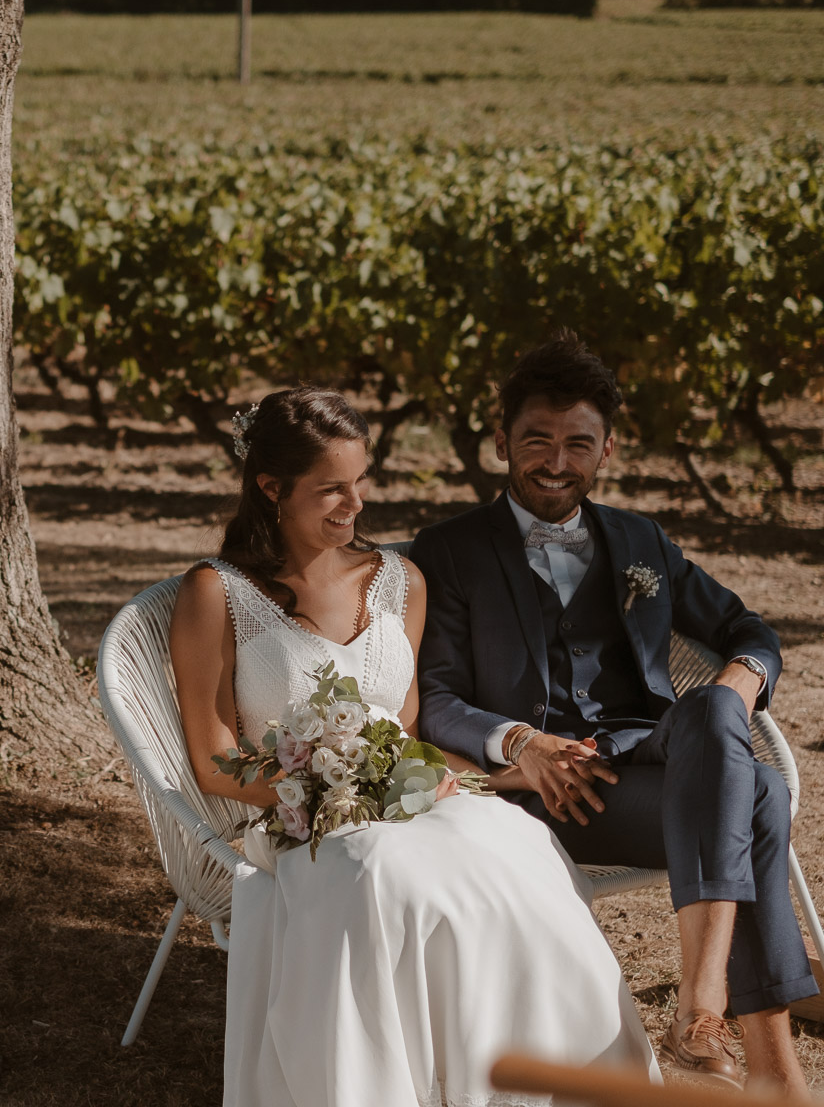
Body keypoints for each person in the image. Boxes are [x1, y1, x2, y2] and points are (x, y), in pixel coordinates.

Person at [171, 387, 656, 1107]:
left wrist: (499, 774)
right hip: (298, 818)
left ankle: (557, 1087)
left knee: (520, 851)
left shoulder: (400, 582)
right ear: (271, 487)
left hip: (410, 795)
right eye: (331, 488)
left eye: (361, 481)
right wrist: (326, 788)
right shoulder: (217, 593)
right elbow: (214, 759)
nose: (355, 504)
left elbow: (408, 732)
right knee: (383, 870)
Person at [413, 331, 816, 1094]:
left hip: (654, 761)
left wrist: (737, 684)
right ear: (501, 441)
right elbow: (434, 697)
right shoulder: (449, 550)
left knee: (710, 711)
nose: (556, 463)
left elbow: (748, 632)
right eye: (536, 441)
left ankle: (701, 1006)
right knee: (759, 795)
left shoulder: (640, 541)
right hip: (543, 794)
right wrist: (520, 744)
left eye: (577, 445)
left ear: (608, 452)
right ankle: (768, 1068)